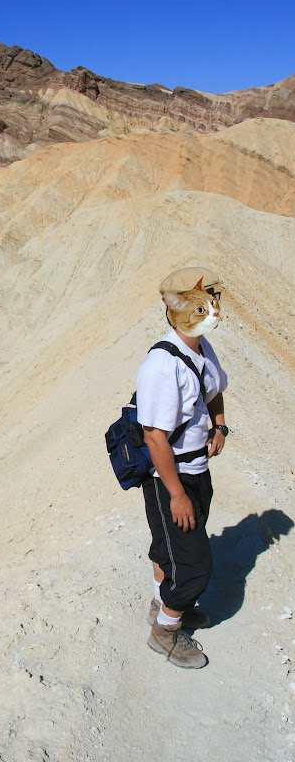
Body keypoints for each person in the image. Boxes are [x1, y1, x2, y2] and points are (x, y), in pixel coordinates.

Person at [136, 267, 228, 669]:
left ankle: (165, 601)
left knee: (169, 544)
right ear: (177, 309)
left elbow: (215, 389)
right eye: (204, 305)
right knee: (194, 564)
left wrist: (219, 425)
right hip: (169, 476)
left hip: (197, 469)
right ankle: (166, 630)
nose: (216, 312)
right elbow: (154, 435)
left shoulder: (201, 346)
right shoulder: (161, 364)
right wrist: (175, 494)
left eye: (213, 302)